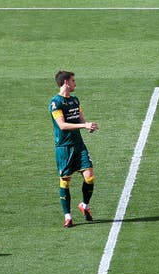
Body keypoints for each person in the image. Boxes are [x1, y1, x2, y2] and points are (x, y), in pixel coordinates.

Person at [49, 71, 99, 228]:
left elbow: (81, 119)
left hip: (78, 145)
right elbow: (62, 125)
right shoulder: (55, 103)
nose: (75, 83)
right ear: (65, 82)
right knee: (65, 181)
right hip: (64, 148)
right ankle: (68, 216)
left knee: (89, 176)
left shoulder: (75, 100)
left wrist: (88, 125)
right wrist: (83, 125)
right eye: (73, 81)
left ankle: (84, 205)